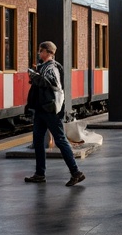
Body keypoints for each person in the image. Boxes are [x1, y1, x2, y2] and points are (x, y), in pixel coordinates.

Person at [24, 41, 85, 187]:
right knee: (38, 141)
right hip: (41, 109)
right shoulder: (45, 67)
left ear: (47, 52)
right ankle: (40, 174)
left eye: (40, 51)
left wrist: (36, 78)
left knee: (60, 140)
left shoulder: (52, 67)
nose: (39, 53)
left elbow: (54, 85)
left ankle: (76, 172)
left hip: (49, 110)